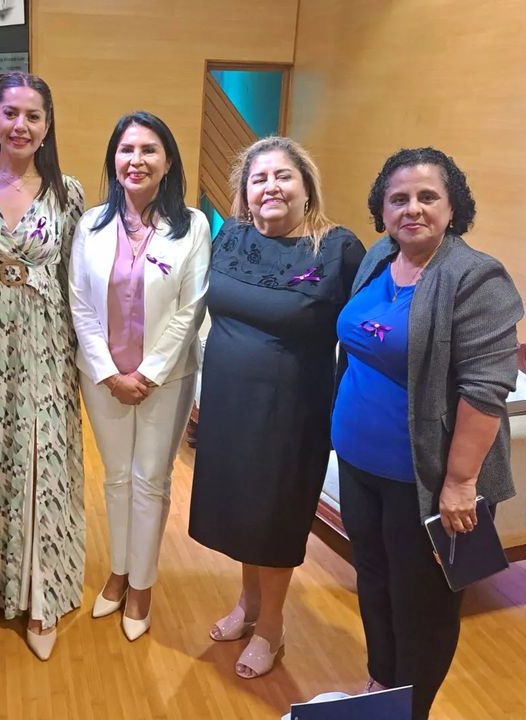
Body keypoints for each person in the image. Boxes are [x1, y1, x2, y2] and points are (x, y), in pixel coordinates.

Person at [331, 147, 523, 719]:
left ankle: (411, 710)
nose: (411, 209)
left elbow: (485, 390)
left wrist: (460, 483)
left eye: (427, 196)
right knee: (374, 580)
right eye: (398, 199)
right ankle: (382, 684)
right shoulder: (379, 257)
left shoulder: (476, 277)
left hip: (427, 480)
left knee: (425, 605)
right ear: (382, 210)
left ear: (452, 206)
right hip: (360, 464)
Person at [188, 136, 366, 678]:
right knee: (243, 511)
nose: (271, 187)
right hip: (228, 403)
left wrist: (346, 411)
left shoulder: (338, 249)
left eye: (283, 176)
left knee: (275, 518)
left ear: (306, 187)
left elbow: (360, 336)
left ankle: (272, 626)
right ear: (244, 191)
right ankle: (248, 604)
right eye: (259, 178)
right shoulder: (230, 235)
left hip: (291, 411)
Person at [0, 71, 85, 661]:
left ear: (47, 125)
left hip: (45, 340)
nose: (20, 125)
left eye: (33, 115)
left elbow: (78, 279)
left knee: (40, 458)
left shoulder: (67, 192)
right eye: (10, 113)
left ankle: (40, 594)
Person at [69, 111, 210, 641]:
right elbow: (80, 304)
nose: (137, 160)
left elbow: (191, 309)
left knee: (150, 480)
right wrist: (110, 374)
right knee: (117, 477)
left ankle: (142, 585)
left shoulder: (193, 226)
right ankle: (119, 571)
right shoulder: (91, 224)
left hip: (166, 380)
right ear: (113, 160)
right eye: (126, 149)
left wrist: (147, 374)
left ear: (168, 161)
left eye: (149, 150)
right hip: (102, 377)